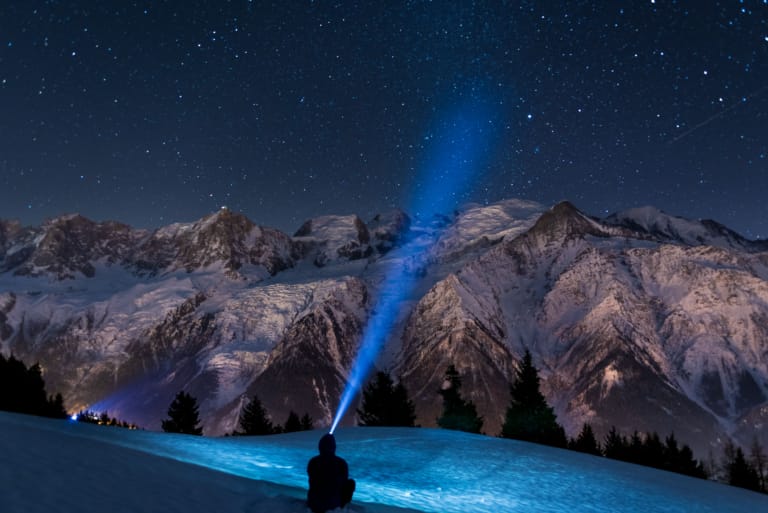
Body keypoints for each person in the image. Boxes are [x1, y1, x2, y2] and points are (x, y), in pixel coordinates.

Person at [307, 433, 355, 513]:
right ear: (334, 447)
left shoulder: (313, 461)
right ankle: (341, 507)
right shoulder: (341, 463)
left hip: (314, 503)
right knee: (350, 483)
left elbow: (311, 480)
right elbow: (343, 481)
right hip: (333, 504)